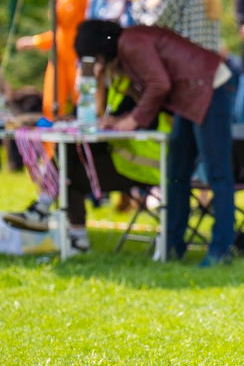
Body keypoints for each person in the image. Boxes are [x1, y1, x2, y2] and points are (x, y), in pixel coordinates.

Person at [73, 19, 235, 266]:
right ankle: (172, 247)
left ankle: (221, 250)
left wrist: (133, 120)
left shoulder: (132, 43)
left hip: (208, 88)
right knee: (176, 175)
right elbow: (148, 89)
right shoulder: (128, 44)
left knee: (217, 173)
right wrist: (123, 118)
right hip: (189, 96)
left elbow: (159, 84)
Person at [15, 0, 95, 119]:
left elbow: (88, 24)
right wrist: (36, 41)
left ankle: (85, 143)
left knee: (83, 100)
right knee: (52, 102)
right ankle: (53, 145)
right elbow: (60, 32)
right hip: (60, 55)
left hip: (78, 54)